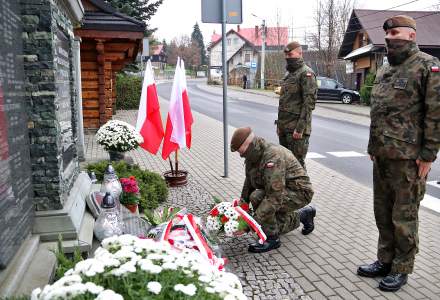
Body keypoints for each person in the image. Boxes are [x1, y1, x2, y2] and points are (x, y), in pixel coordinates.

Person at [357, 15, 440, 292]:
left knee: (404, 216)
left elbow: (435, 114)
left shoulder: (427, 66)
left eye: (395, 32)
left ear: (411, 36)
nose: (390, 37)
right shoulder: (384, 69)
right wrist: (372, 147)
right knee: (382, 212)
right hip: (382, 154)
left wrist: (428, 154)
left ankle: (402, 268)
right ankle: (385, 260)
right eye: (388, 33)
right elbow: (378, 111)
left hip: (408, 158)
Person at [230, 127, 316, 253]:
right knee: (271, 222)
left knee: (258, 197)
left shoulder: (272, 156)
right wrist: (242, 208)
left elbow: (274, 197)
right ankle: (304, 215)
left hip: (299, 192)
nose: (240, 155)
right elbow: (249, 182)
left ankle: (272, 239)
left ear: (249, 145)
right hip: (281, 190)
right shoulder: (253, 154)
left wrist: (250, 225)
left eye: (241, 152)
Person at [276, 41, 317, 169]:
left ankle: (304, 189)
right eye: (286, 55)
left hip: (296, 131)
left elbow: (308, 104)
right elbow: (284, 101)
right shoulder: (289, 74)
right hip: (284, 128)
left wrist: (300, 129)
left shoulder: (306, 73)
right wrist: (279, 125)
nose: (288, 57)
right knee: (285, 165)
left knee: (297, 166)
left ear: (300, 54)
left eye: (290, 54)